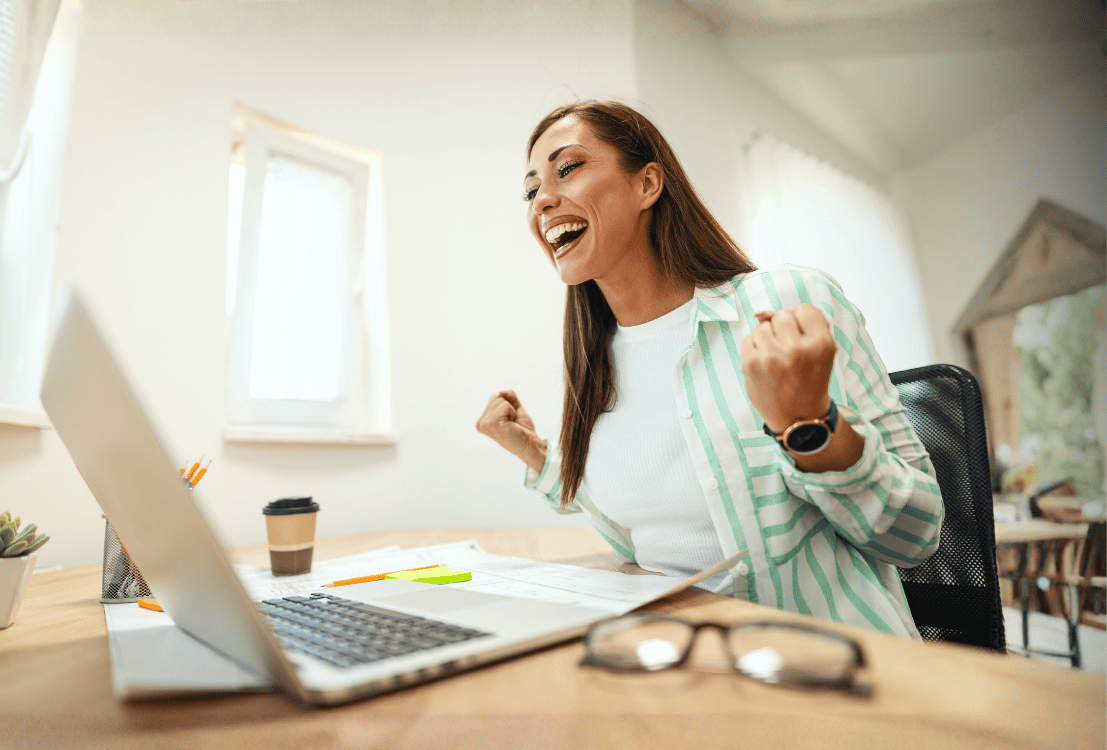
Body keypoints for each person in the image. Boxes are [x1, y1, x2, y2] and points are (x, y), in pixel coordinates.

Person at [475, 100, 943, 638]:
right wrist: (537, 457)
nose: (544, 201)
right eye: (532, 190)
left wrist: (808, 426)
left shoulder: (786, 302)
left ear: (648, 184)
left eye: (569, 168)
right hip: (675, 658)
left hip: (820, 665)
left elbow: (917, 534)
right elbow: (655, 522)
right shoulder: (593, 366)